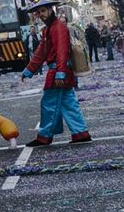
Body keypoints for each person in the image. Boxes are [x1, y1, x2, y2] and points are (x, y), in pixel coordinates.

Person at [21, 8, 91, 146]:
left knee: (48, 105)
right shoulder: (49, 28)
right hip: (60, 71)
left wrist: (60, 73)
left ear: (50, 10)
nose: (41, 15)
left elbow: (61, 51)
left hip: (58, 72)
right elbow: (41, 52)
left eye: (43, 11)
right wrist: (29, 70)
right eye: (39, 13)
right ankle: (81, 133)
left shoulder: (57, 28)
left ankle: (44, 136)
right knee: (69, 103)